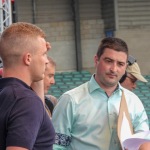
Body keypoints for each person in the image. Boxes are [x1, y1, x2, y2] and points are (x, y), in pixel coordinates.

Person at [52, 37, 149, 150]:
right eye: (108, 61)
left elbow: (144, 142)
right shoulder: (70, 100)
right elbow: (57, 146)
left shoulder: (133, 101)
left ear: (125, 68)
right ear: (96, 60)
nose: (114, 69)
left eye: (120, 64)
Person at [0, 22, 55, 150]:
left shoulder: (8, 93)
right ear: (28, 58)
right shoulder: (26, 101)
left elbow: (38, 114)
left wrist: (39, 51)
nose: (46, 61)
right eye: (43, 55)